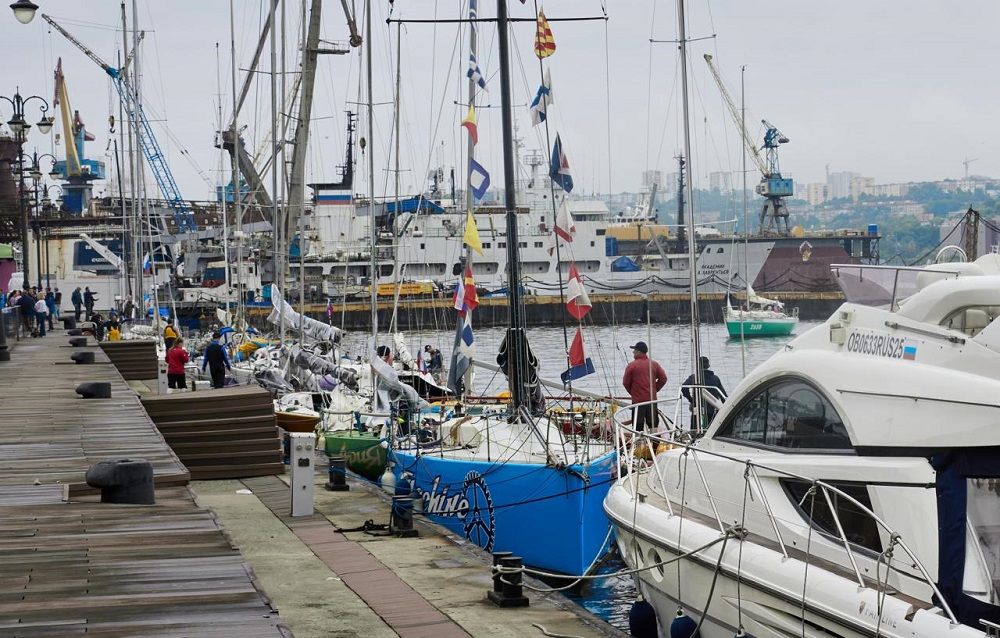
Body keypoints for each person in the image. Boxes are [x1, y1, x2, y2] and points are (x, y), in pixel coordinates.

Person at [622, 341, 667, 431]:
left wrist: (633, 393)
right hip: (651, 400)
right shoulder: (654, 364)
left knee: (638, 426)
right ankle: (654, 439)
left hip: (638, 402)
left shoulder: (632, 366)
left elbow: (625, 383)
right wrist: (654, 390)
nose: (633, 352)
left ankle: (638, 439)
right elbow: (663, 379)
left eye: (635, 350)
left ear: (639, 352)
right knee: (653, 425)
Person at [682, 356, 728, 428]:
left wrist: (691, 400)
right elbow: (723, 396)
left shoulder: (694, 377)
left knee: (695, 429)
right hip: (713, 411)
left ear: (697, 366)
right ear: (708, 366)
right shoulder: (715, 378)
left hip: (697, 410)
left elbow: (684, 388)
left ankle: (694, 434)